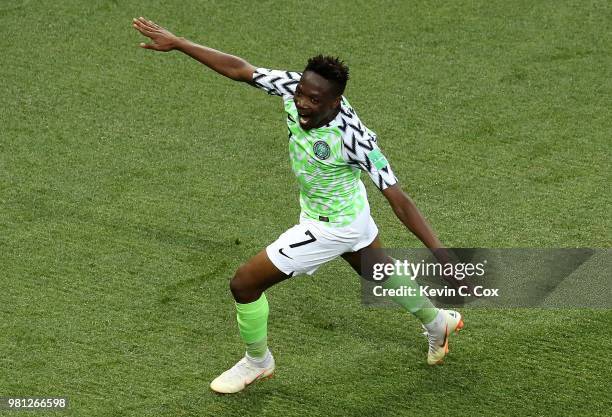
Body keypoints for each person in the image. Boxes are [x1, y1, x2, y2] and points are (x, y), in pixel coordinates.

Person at [132, 17, 464, 394]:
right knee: (378, 272)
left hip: (331, 227)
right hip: (342, 208)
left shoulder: (355, 139)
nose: (303, 104)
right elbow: (241, 70)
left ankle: (258, 362)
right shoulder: (295, 87)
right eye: (301, 95)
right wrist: (178, 43)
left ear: (335, 102)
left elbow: (398, 198)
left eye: (314, 101)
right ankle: (438, 322)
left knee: (244, 284)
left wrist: (440, 252)